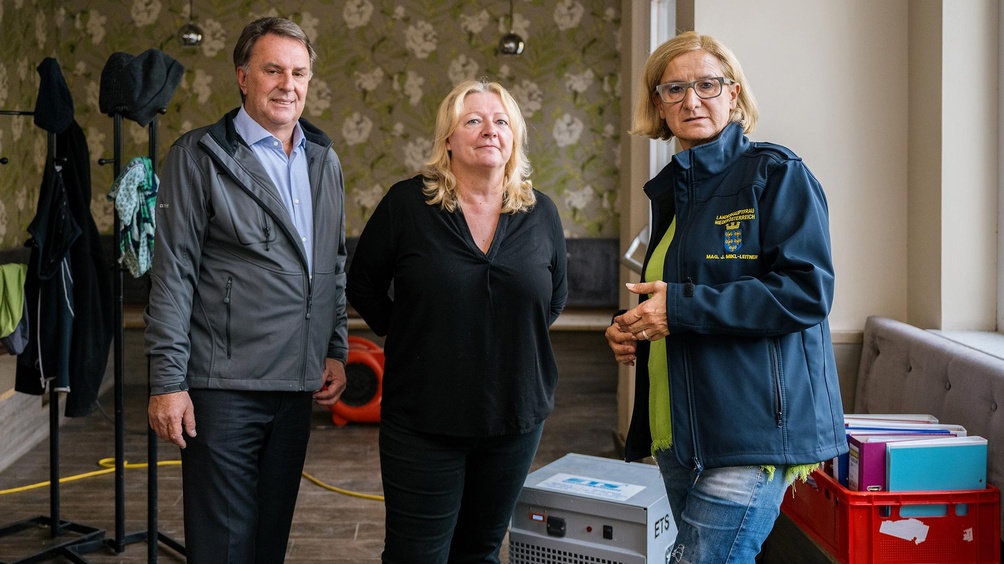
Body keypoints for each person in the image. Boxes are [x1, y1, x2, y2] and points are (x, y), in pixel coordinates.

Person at [605, 31, 846, 563]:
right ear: (658, 106)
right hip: (680, 428)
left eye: (707, 85)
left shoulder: (776, 174)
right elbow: (679, 291)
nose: (692, 100)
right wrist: (633, 323)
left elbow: (807, 291)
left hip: (751, 428)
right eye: (674, 90)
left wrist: (679, 308)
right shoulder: (677, 192)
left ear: (733, 93)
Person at [145, 17, 348, 563]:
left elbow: (333, 263)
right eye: (273, 69)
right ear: (242, 76)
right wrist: (167, 381)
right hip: (223, 387)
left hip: (296, 382)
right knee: (224, 544)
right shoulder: (198, 156)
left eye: (299, 72)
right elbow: (173, 275)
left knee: (268, 541)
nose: (288, 83)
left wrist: (335, 348)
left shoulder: (322, 159)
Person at [346, 79, 568, 563]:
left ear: (514, 138)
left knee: (481, 551)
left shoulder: (540, 211)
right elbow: (361, 283)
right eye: (473, 120)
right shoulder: (408, 205)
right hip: (424, 418)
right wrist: (407, 332)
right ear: (448, 139)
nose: (490, 130)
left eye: (501, 121)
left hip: (514, 417)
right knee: (416, 555)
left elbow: (553, 301)